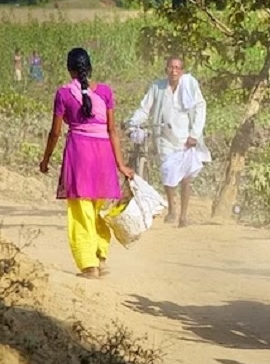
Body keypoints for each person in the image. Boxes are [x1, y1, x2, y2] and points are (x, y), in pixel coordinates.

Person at [38, 48, 134, 279]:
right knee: (98, 209)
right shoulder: (105, 92)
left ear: (69, 68)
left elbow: (55, 132)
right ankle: (101, 257)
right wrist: (121, 164)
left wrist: (46, 158)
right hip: (104, 157)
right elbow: (112, 130)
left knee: (81, 212)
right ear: (89, 67)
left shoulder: (63, 94)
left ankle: (89, 265)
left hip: (79, 155)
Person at [126, 55, 210, 227]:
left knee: (186, 179)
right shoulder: (158, 87)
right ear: (166, 69)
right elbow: (145, 108)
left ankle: (184, 215)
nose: (174, 71)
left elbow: (200, 107)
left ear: (182, 70)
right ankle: (172, 208)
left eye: (178, 68)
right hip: (164, 137)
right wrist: (133, 122)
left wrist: (194, 134)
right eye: (171, 67)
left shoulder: (189, 86)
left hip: (186, 138)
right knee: (168, 171)